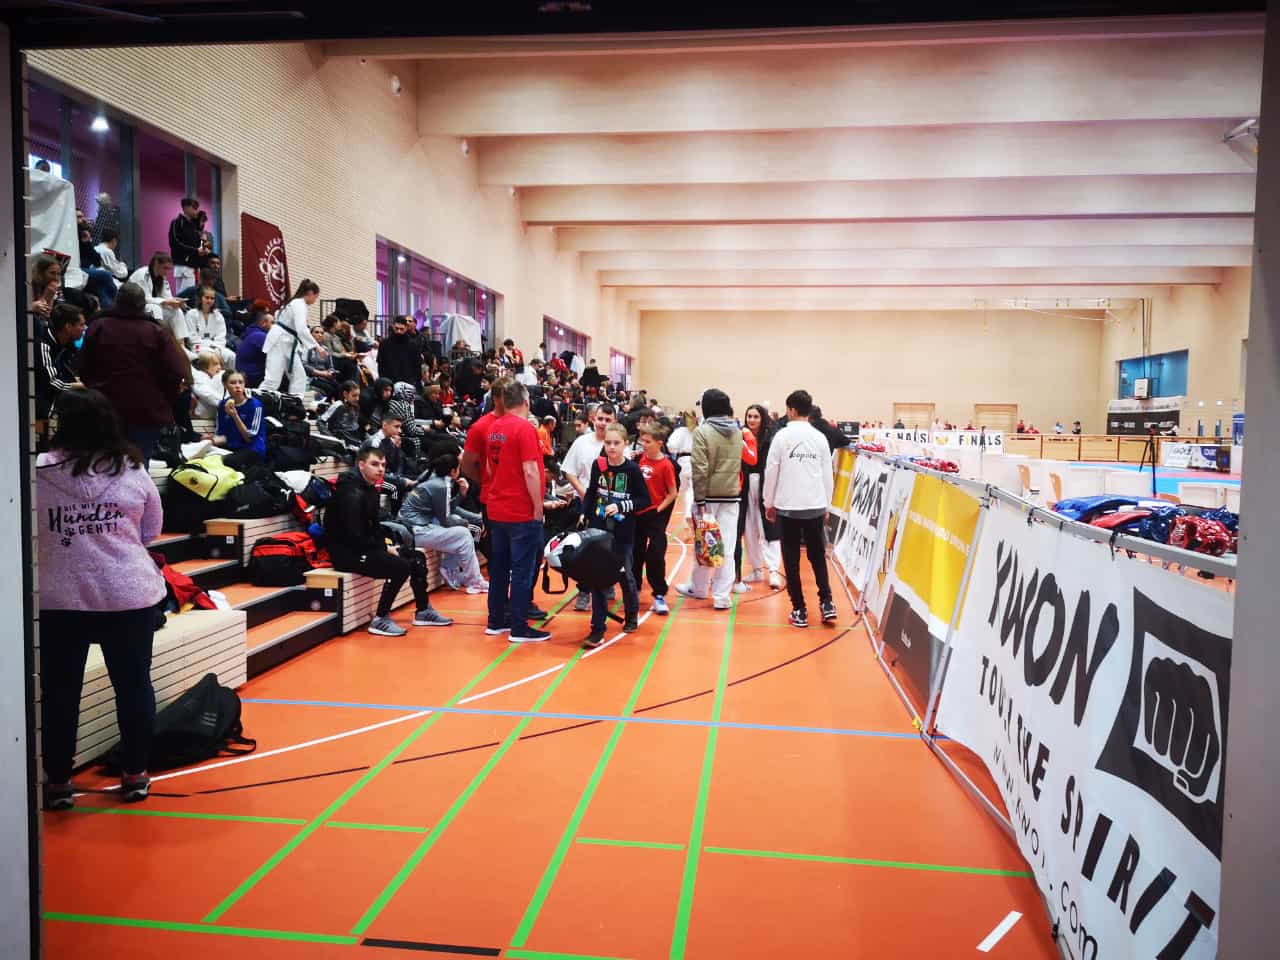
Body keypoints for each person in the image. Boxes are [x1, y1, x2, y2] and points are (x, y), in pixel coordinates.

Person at [37, 387, 163, 809]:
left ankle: (58, 781)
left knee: (59, 693)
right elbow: (151, 531)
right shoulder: (132, 470)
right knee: (133, 686)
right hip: (128, 596)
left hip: (59, 599)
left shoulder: (37, 472)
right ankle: (135, 774)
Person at [325, 446, 452, 636]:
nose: (380, 469)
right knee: (400, 567)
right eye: (375, 464)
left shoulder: (370, 489)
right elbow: (354, 534)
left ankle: (423, 610)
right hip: (346, 553)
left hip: (364, 546)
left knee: (417, 558)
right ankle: (380, 619)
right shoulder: (350, 493)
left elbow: (373, 526)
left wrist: (386, 545)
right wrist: (383, 549)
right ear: (361, 465)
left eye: (383, 465)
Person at [78, 283, 190, 462]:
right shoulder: (156, 331)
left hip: (105, 407)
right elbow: (176, 372)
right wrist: (163, 398)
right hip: (147, 410)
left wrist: (96, 390)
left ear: (116, 302)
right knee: (138, 465)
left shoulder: (98, 326)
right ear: (143, 305)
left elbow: (84, 368)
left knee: (104, 464)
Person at [479, 381, 551, 643]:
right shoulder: (525, 428)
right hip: (520, 510)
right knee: (522, 570)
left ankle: (496, 620)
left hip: (497, 508)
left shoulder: (493, 427)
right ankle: (519, 627)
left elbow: (489, 468)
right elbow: (530, 470)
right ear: (526, 401)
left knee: (498, 568)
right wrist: (537, 506)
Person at [764, 390, 836, 628]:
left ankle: (799, 609)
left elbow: (771, 471)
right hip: (815, 506)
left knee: (791, 559)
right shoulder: (820, 438)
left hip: (788, 508)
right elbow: (828, 475)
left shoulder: (781, 437)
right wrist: (827, 505)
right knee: (817, 556)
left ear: (792, 410)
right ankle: (827, 603)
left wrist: (768, 502)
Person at [579, 420, 651, 647]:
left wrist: (622, 506)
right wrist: (583, 514)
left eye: (616, 443)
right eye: (608, 442)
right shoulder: (598, 465)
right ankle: (597, 628)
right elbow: (592, 491)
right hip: (598, 530)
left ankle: (631, 615)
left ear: (625, 444)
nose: (611, 447)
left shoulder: (632, 470)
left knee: (625, 575)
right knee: (597, 577)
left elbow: (644, 500)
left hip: (623, 533)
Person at [676, 389, 743, 610]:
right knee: (728, 547)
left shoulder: (703, 431)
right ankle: (722, 596)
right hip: (732, 496)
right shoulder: (737, 431)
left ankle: (699, 588)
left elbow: (700, 468)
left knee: (704, 543)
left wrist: (700, 500)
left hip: (709, 498)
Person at [398, 450, 487, 594]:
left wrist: (461, 495)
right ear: (453, 471)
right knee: (463, 533)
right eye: (459, 468)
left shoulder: (436, 479)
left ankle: (451, 568)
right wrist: (466, 523)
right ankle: (474, 581)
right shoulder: (441, 486)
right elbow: (445, 520)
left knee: (457, 523)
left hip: (416, 524)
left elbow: (447, 511)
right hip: (413, 529)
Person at [560, 402, 616, 612]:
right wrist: (584, 493)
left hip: (608, 506)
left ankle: (607, 583)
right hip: (584, 504)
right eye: (600, 419)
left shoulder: (617, 444)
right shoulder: (581, 442)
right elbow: (569, 471)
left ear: (614, 421)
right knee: (584, 550)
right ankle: (583, 591)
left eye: (608, 420)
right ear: (593, 419)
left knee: (607, 548)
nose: (603, 423)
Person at [632, 423, 678, 616]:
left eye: (648, 441)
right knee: (635, 553)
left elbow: (672, 493)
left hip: (655, 515)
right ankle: (633, 590)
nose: (644, 444)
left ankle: (659, 595)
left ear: (659, 443)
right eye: (642, 440)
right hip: (637, 513)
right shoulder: (639, 460)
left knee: (656, 555)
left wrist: (658, 510)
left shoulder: (666, 465)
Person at [738, 403, 783, 590]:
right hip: (745, 486)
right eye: (749, 416)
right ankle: (756, 569)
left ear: (762, 418)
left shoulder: (771, 437)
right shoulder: (740, 436)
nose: (752, 420)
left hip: (766, 485)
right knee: (749, 530)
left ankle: (773, 571)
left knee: (768, 529)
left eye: (756, 416)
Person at [261, 279, 322, 394]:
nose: (315, 300)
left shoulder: (294, 303)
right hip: (279, 341)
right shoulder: (298, 304)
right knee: (272, 380)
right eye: (316, 296)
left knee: (299, 376)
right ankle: (257, 402)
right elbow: (301, 329)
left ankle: (295, 402)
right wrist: (317, 347)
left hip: (287, 342)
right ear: (310, 293)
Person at [35, 303, 85, 439]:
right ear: (68, 327)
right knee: (43, 444)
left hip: (55, 406)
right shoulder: (43, 345)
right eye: (81, 325)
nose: (84, 328)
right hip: (40, 411)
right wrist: (83, 386)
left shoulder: (67, 346)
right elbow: (53, 383)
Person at [127, 252, 188, 341]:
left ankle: (181, 343)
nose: (167, 272)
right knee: (155, 309)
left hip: (152, 306)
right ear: (156, 263)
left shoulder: (162, 278)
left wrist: (176, 302)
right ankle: (159, 339)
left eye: (169, 269)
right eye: (165, 268)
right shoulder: (141, 275)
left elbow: (167, 297)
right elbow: (144, 298)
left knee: (176, 310)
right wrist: (166, 302)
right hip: (136, 306)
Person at [213, 371, 267, 463]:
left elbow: (249, 439)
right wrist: (211, 441)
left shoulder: (255, 405)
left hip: (252, 449)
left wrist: (235, 415)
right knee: (209, 457)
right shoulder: (223, 404)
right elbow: (222, 434)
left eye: (241, 382)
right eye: (233, 383)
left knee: (227, 461)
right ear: (225, 385)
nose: (237, 386)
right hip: (232, 446)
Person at [184, 285, 235, 370]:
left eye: (212, 298)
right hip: (198, 347)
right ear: (200, 298)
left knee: (231, 356)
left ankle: (229, 377)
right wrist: (210, 346)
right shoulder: (191, 314)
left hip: (217, 347)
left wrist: (216, 347)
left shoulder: (218, 315)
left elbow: (221, 336)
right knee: (209, 357)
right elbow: (192, 338)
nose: (209, 301)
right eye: (207, 298)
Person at [364, 414, 418, 495]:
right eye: (396, 427)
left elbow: (398, 463)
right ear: (385, 425)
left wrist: (399, 478)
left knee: (419, 480)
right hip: (371, 480)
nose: (400, 431)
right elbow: (375, 472)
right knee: (399, 487)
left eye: (400, 427)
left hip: (387, 475)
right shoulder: (375, 443)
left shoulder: (389, 441)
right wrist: (402, 481)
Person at [167, 196, 206, 292]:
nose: (196, 211)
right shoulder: (177, 222)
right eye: (194, 208)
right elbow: (175, 243)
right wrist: (196, 250)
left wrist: (202, 244)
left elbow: (197, 244)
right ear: (186, 208)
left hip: (192, 265)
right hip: (183, 264)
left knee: (183, 295)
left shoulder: (193, 226)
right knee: (186, 295)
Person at [376, 315, 424, 387]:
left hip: (407, 382)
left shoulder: (413, 345)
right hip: (389, 382)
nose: (399, 331)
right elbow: (381, 363)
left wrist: (415, 381)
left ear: (406, 328)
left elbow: (417, 365)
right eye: (397, 328)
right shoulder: (385, 344)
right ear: (393, 327)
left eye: (401, 329)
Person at [317, 380, 365, 449]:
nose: (357, 398)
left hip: (354, 440)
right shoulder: (338, 405)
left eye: (358, 395)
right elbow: (320, 422)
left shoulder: (355, 406)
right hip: (340, 442)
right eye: (354, 396)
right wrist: (331, 438)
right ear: (345, 394)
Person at [235, 307, 273, 387]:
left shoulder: (251, 331)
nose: (275, 326)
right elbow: (274, 354)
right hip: (251, 376)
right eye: (272, 323)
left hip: (245, 373)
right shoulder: (260, 336)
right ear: (264, 323)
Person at [190, 352, 225, 420]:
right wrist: (224, 403)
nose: (219, 367)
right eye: (215, 364)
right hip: (201, 414)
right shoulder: (199, 377)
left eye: (220, 364)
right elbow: (206, 394)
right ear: (205, 367)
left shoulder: (216, 376)